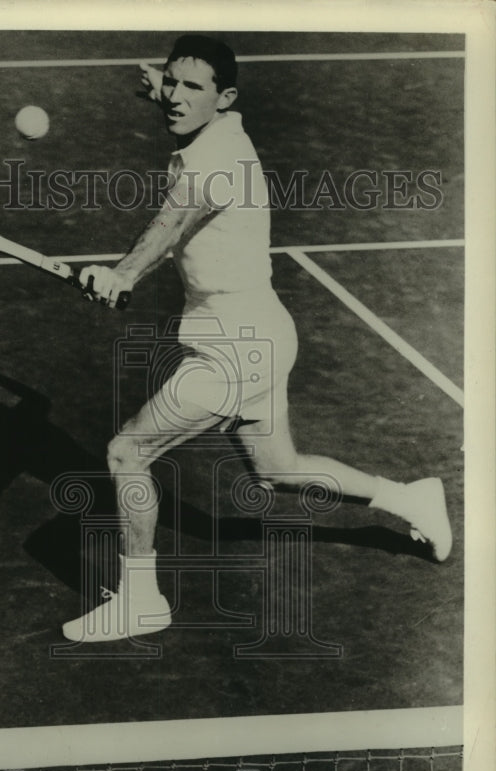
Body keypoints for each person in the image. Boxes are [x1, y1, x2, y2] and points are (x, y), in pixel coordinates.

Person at [62, 34, 451, 643]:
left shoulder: (215, 162)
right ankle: (411, 499)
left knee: (126, 453)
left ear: (227, 98)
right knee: (278, 469)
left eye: (194, 88)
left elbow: (172, 222)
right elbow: (184, 111)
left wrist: (122, 274)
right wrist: (165, 90)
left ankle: (142, 601)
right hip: (262, 332)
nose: (175, 96)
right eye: (170, 82)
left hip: (235, 349)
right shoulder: (220, 134)